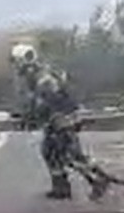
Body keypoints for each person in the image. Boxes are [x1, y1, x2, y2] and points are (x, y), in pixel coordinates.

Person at [11, 43, 107, 200]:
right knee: (50, 152)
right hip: (55, 119)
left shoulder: (43, 76)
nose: (16, 66)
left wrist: (30, 117)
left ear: (23, 60)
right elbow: (37, 101)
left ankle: (99, 179)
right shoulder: (34, 74)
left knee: (71, 154)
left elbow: (47, 101)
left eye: (16, 62)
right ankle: (61, 187)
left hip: (63, 119)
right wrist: (26, 114)